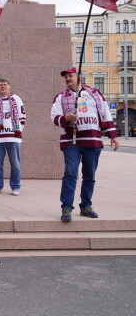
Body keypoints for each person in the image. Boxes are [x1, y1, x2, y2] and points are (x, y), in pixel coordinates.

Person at [51, 67, 119, 222]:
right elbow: (55, 117)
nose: (68, 79)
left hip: (92, 140)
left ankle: (86, 205)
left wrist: (113, 135)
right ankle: (66, 207)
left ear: (79, 76)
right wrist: (67, 118)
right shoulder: (61, 96)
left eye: (71, 76)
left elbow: (105, 113)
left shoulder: (94, 93)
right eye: (66, 76)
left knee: (89, 175)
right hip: (71, 141)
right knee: (70, 173)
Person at [0, 78, 26, 195]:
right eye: (0, 85)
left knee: (15, 163)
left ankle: (15, 186)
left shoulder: (16, 99)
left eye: (5, 85)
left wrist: (18, 130)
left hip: (13, 136)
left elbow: (22, 115)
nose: (3, 87)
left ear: (9, 86)